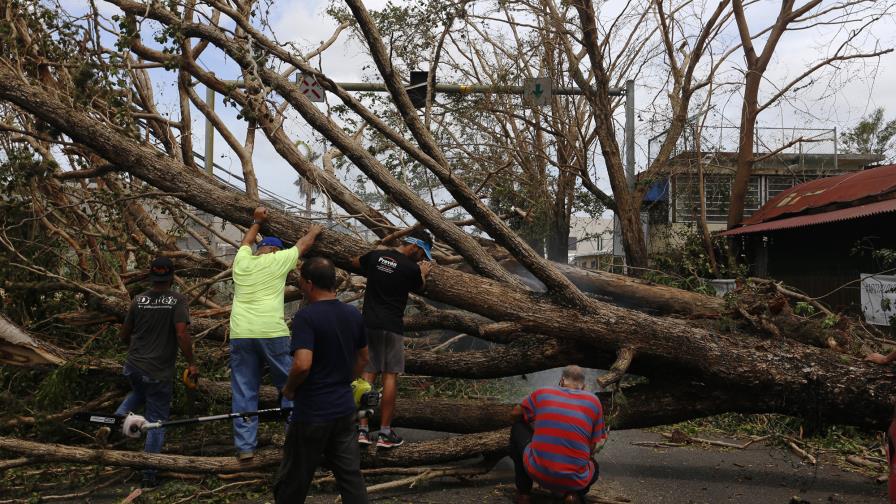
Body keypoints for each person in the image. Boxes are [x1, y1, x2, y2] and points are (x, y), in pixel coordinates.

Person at [229, 206, 322, 460]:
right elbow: (303, 245)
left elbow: (246, 241)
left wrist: (257, 221)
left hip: (240, 333)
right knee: (290, 385)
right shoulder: (278, 260)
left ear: (260, 249)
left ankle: (246, 448)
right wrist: (314, 230)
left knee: (244, 389)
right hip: (271, 332)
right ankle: (295, 437)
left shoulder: (242, 261)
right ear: (275, 250)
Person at [275, 257, 370, 504]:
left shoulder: (306, 317)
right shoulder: (352, 314)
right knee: (350, 477)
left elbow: (302, 364)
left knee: (294, 478)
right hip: (344, 410)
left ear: (308, 284)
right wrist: (345, 379)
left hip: (312, 413)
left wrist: (289, 389)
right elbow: (363, 358)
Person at [114, 256, 197, 488]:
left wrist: (132, 348)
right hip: (158, 371)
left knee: (140, 393)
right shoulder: (177, 300)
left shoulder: (138, 300)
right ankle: (149, 475)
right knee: (157, 421)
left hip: (133, 366)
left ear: (152, 276)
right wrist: (191, 362)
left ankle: (116, 420)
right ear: (172, 276)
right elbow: (181, 334)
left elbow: (123, 334)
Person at [352, 229, 434, 448]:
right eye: (422, 254)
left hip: (367, 323)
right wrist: (423, 273)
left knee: (367, 376)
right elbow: (420, 287)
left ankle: (361, 430)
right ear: (415, 247)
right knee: (390, 376)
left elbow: (357, 262)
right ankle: (385, 433)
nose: (422, 259)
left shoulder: (376, 256)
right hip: (391, 328)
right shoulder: (410, 269)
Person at [509, 365, 607, 504]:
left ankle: (524, 494)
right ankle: (572, 495)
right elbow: (593, 445)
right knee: (594, 467)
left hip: (537, 472)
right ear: (584, 386)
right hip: (575, 479)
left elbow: (514, 415)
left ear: (561, 381)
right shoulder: (594, 401)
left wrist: (536, 427)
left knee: (518, 426)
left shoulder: (543, 392)